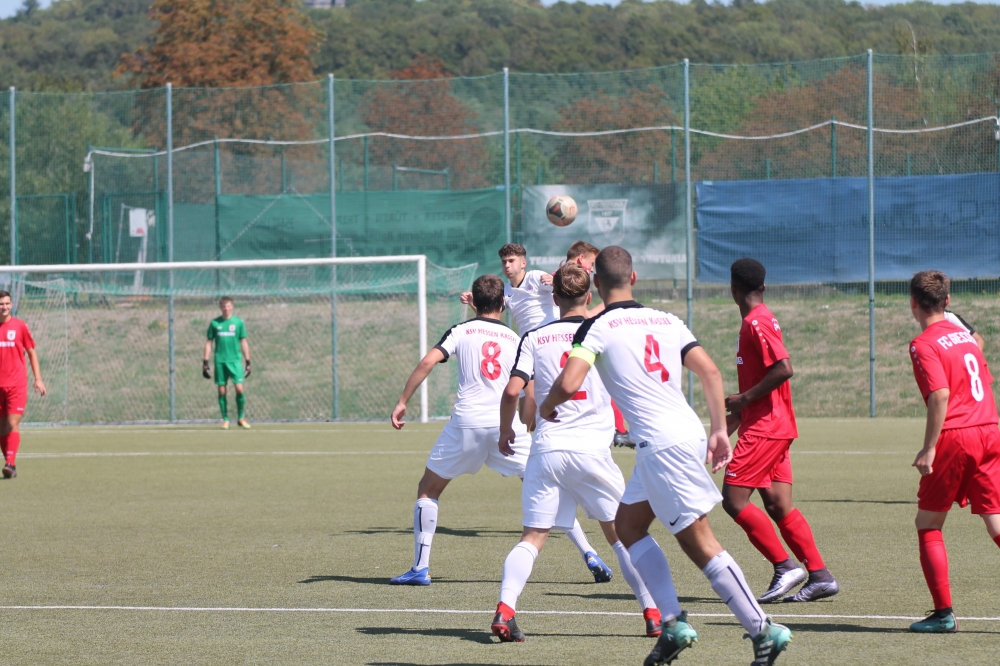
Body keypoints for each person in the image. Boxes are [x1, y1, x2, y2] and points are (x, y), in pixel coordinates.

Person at [540, 247, 791, 666]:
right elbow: (710, 372)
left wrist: (546, 407)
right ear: (634, 278)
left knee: (700, 543)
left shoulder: (595, 327)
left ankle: (762, 628)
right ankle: (672, 622)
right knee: (628, 525)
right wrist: (717, 429)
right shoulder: (667, 320)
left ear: (597, 284)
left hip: (662, 446)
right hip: (678, 435)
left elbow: (568, 383)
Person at [389, 274, 602, 585]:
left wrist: (402, 401)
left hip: (467, 425)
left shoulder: (460, 330)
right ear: (503, 303)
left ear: (474, 302)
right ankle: (589, 552)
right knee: (548, 490)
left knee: (428, 489)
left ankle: (420, 568)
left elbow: (427, 362)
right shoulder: (515, 339)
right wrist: (530, 422)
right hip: (508, 427)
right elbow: (528, 389)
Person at [491, 264, 661, 642]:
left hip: (547, 449)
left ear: (554, 298)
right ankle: (652, 613)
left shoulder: (534, 336)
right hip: (591, 451)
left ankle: (505, 609)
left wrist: (507, 430)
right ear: (590, 296)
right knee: (623, 537)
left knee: (533, 537)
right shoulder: (604, 331)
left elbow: (513, 391)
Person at [460, 243, 614, 579]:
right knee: (553, 483)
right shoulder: (508, 292)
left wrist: (559, 274)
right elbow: (496, 307)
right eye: (504, 261)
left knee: (533, 416)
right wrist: (475, 301)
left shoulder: (536, 280)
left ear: (524, 262)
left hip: (547, 352)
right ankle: (592, 552)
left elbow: (563, 286)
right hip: (535, 358)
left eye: (512, 260)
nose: (507, 265)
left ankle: (530, 433)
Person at [721, 258, 839, 603]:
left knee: (733, 500)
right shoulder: (759, 319)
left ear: (733, 289)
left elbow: (784, 368)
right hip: (772, 424)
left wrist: (744, 399)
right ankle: (820, 576)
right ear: (764, 287)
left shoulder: (756, 322)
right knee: (777, 504)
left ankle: (785, 566)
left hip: (766, 428)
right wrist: (737, 415)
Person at [906, 270, 1000, 633]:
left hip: (958, 437)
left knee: (928, 523)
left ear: (913, 303)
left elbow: (940, 394)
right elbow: (983, 376)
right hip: (989, 428)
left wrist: (929, 447)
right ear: (947, 301)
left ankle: (943, 615)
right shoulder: (967, 338)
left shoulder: (923, 343)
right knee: (995, 521)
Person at [566, 240, 633, 448]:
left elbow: (584, 314)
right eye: (591, 263)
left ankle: (618, 429)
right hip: (576, 339)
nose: (592, 268)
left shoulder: (564, 278)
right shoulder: (564, 278)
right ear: (580, 259)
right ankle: (618, 430)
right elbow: (583, 314)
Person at [0, 291, 46, 479]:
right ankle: (10, 465)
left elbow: (32, 353)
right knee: (2, 426)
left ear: (11, 305)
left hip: (17, 384)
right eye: (1, 304)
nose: (4, 307)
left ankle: (10, 463)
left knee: (12, 423)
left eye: (7, 303)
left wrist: (38, 379)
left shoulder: (20, 326)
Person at [203, 296, 251, 430]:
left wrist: (248, 361)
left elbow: (243, 341)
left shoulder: (238, 322)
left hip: (235, 361)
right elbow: (209, 343)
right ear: (220, 307)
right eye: (224, 306)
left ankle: (241, 417)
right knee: (222, 390)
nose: (226, 308)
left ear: (232, 306)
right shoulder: (214, 323)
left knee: (239, 389)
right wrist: (205, 362)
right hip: (220, 361)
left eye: (228, 306)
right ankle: (225, 419)